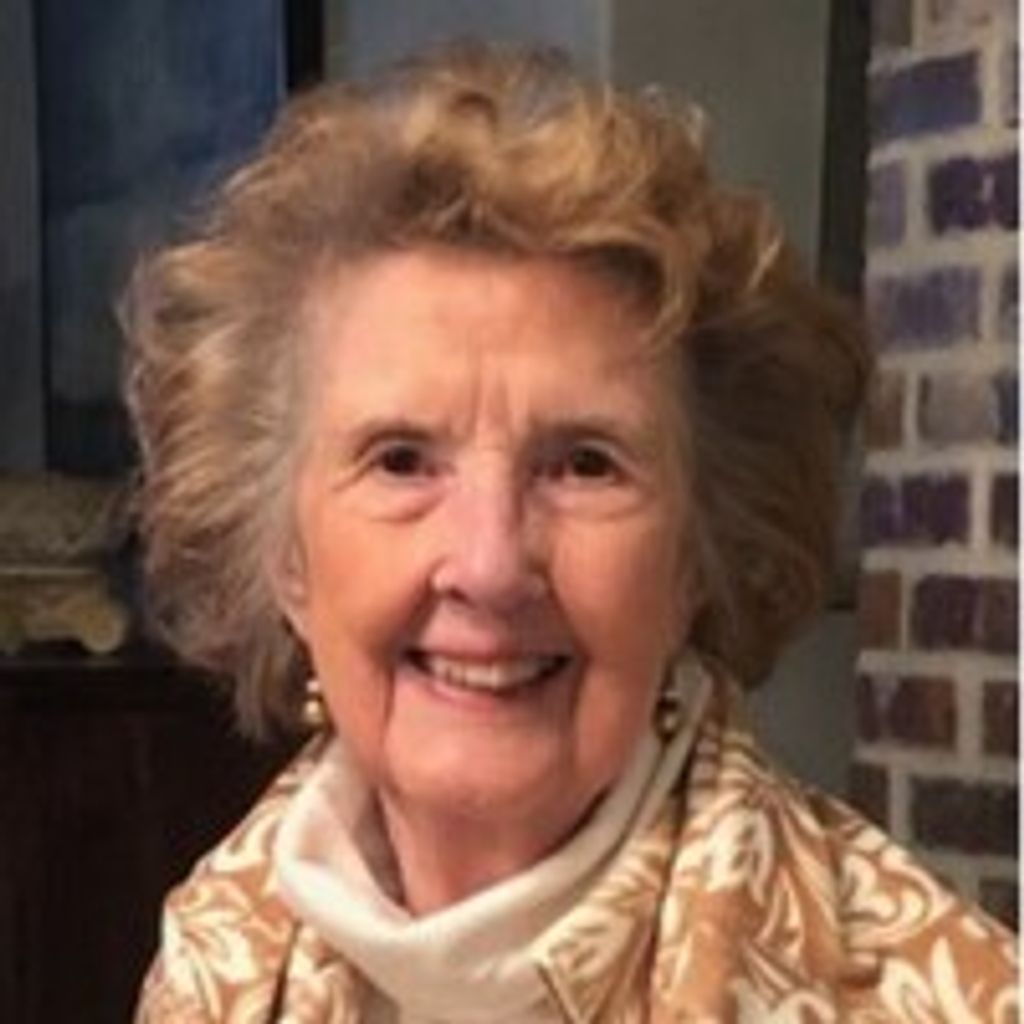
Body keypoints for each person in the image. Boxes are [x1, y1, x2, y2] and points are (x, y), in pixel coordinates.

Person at [127, 42, 1016, 1023]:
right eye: (401, 460)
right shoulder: (216, 964)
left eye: (585, 464)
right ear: (286, 558)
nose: (489, 563)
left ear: (694, 558)